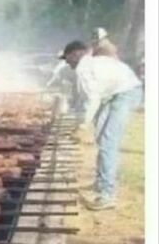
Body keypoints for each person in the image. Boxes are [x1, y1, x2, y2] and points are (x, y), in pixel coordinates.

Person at [61, 40, 143, 210]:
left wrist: (82, 126)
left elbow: (92, 100)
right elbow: (85, 99)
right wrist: (79, 120)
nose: (67, 63)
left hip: (125, 93)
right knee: (101, 137)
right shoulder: (90, 64)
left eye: (67, 58)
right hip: (117, 93)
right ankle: (101, 183)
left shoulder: (84, 68)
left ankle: (107, 195)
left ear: (75, 54)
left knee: (107, 143)